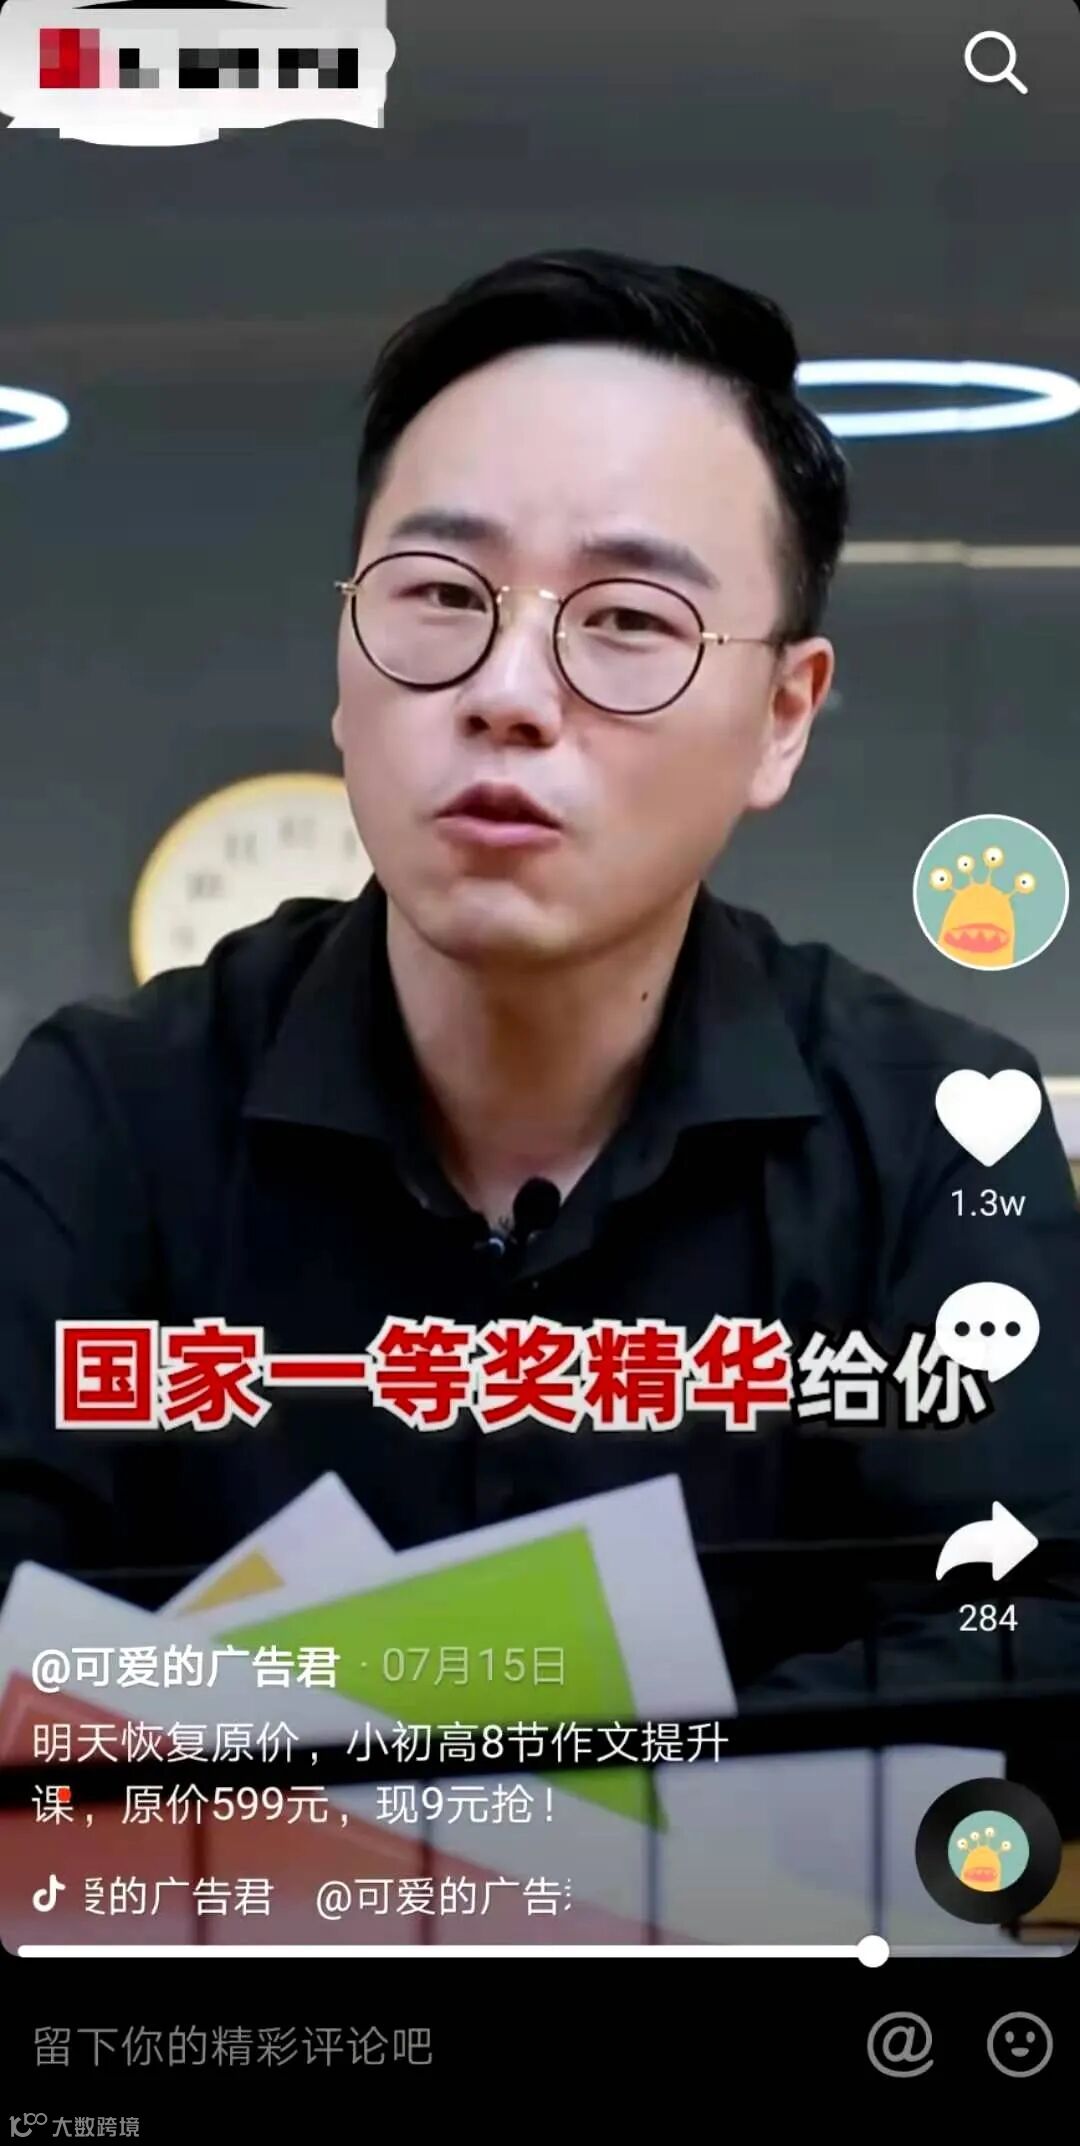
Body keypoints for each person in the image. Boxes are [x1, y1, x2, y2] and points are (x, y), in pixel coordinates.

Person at [1, 248, 1078, 1708]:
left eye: (628, 618)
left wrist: (552, 1792)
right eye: (442, 594)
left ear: (783, 715)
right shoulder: (103, 1118)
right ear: (343, 658)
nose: (507, 693)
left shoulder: (934, 1140)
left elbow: (1033, 1640)